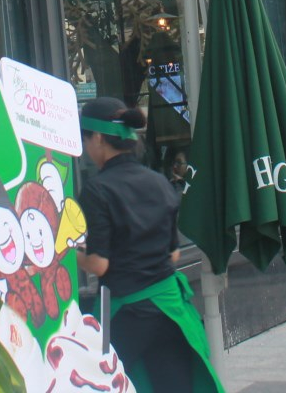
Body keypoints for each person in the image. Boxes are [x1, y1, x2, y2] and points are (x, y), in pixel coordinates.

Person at [78, 97, 223, 393]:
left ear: (98, 139)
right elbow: (174, 254)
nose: (85, 147)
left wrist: (70, 254)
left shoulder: (96, 189)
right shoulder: (159, 182)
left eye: (85, 139)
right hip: (170, 311)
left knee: (99, 384)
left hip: (123, 313)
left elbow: (99, 265)